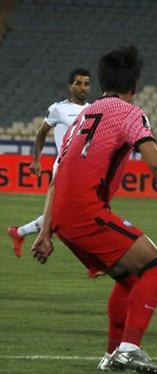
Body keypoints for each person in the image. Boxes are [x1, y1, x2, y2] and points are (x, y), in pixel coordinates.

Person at [31, 46, 157, 374]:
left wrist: (45, 230)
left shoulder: (82, 116)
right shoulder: (129, 113)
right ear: (134, 85)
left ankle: (112, 354)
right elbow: (155, 163)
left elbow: (57, 176)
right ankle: (129, 349)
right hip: (87, 212)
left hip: (65, 219)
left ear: (100, 82)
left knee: (128, 280)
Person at [7, 69, 93, 267]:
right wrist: (36, 159)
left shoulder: (93, 109)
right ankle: (92, 261)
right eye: (78, 83)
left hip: (85, 169)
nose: (83, 87)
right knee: (74, 214)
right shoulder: (58, 109)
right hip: (64, 167)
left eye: (86, 83)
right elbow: (41, 133)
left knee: (64, 214)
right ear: (70, 85)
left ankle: (19, 232)